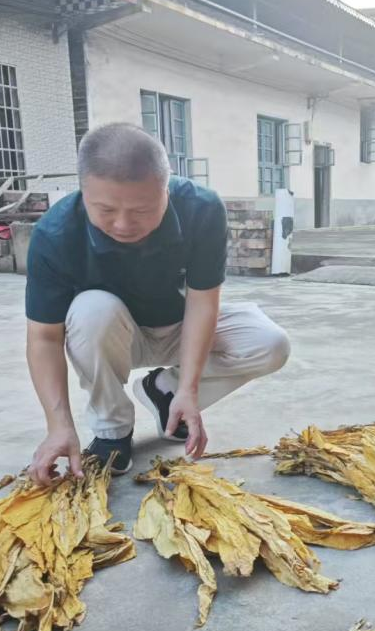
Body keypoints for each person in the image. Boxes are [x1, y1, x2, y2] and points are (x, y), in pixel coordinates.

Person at [24, 123, 290, 484]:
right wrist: (58, 426)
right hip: (113, 337)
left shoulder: (201, 209)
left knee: (270, 344)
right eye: (105, 209)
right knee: (90, 309)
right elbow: (44, 339)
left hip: (179, 327)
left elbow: (202, 303)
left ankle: (166, 393)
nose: (123, 224)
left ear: (166, 188)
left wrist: (189, 388)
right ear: (83, 191)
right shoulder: (54, 234)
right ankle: (112, 430)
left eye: (142, 210)